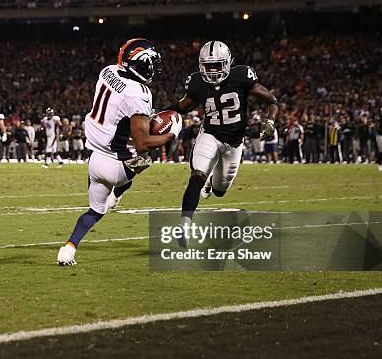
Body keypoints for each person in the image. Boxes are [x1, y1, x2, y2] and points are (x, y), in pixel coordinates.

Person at [57, 38, 181, 266]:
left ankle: (68, 248)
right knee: (144, 158)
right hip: (117, 166)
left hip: (94, 157)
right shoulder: (139, 93)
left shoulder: (109, 71)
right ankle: (118, 192)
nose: (153, 67)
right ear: (139, 63)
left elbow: (118, 108)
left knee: (94, 212)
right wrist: (171, 134)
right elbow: (143, 143)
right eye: (150, 62)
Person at [167, 40, 278, 247]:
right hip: (210, 134)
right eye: (208, 66)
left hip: (234, 143)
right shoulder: (197, 82)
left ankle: (211, 183)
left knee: (219, 191)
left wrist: (270, 120)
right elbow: (183, 106)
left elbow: (271, 100)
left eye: (216, 65)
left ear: (227, 63)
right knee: (197, 174)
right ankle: (184, 225)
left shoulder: (241, 75)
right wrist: (160, 113)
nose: (212, 70)